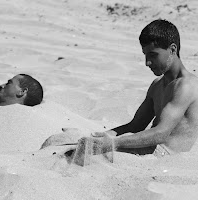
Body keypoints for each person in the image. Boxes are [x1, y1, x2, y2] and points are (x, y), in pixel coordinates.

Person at [75, 19, 198, 158]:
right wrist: (103, 136)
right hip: (149, 152)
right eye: (145, 55)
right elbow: (135, 126)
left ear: (172, 50)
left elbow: (161, 134)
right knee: (76, 145)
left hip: (166, 158)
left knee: (92, 157)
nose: (147, 62)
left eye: (153, 54)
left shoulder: (187, 86)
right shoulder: (157, 84)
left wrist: (113, 143)